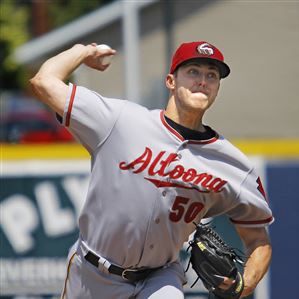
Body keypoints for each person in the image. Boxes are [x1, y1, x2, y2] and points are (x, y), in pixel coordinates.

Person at [30, 40, 273, 299]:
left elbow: (259, 240)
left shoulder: (233, 165)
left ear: (217, 88)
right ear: (170, 81)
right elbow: (43, 82)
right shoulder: (119, 120)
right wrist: (83, 52)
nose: (203, 81)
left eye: (211, 75)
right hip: (93, 273)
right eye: (193, 72)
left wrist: (244, 285)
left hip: (160, 278)